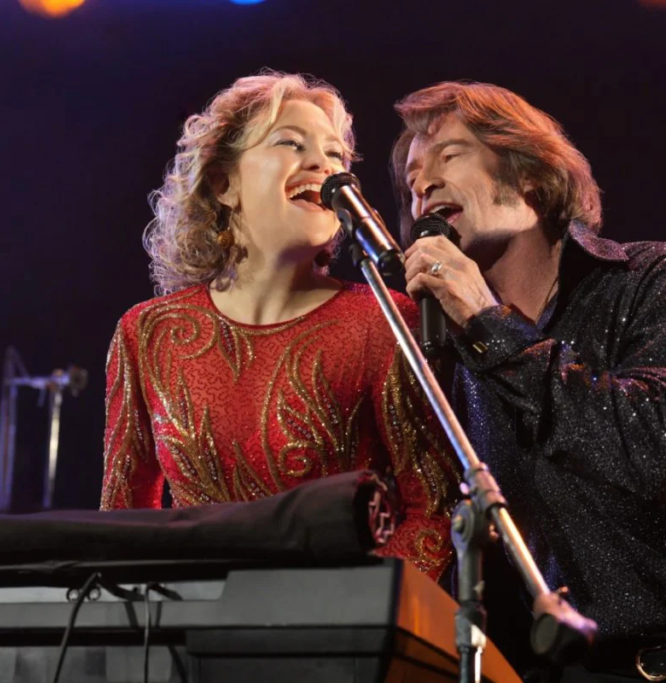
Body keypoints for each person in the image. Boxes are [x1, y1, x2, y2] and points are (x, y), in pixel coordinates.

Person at [99, 71, 460, 582]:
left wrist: (347, 611)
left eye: (336, 155)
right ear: (224, 184)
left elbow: (435, 509)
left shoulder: (384, 320)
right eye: (291, 143)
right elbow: (122, 520)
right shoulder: (148, 333)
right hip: (192, 620)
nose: (324, 165)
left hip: (342, 620)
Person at [394, 81, 666, 680]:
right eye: (412, 178)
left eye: (449, 155)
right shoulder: (447, 354)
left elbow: (650, 445)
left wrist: (490, 323)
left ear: (531, 179)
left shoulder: (647, 280)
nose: (423, 185)